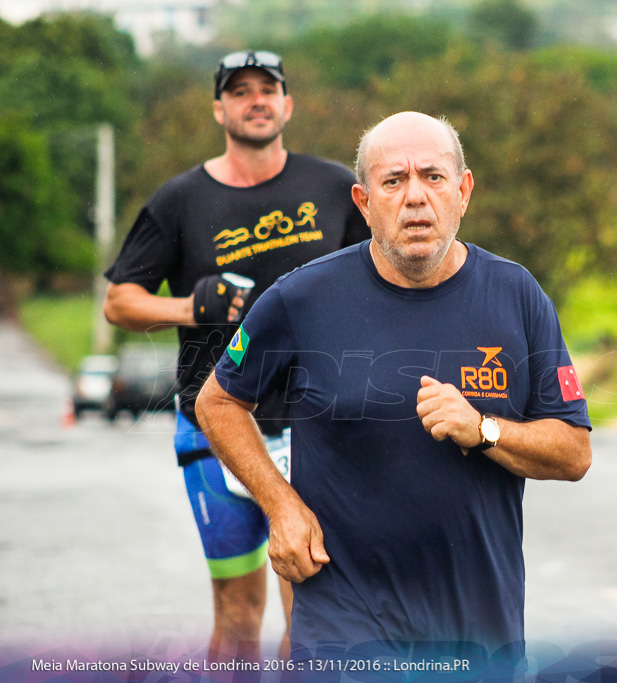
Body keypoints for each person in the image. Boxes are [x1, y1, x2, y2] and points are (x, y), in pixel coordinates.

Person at [194, 111, 592, 671]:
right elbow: (218, 400)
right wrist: (279, 504)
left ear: (463, 190)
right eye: (393, 181)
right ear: (363, 201)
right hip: (344, 617)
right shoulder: (302, 298)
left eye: (432, 177)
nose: (415, 198)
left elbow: (573, 452)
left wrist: (483, 430)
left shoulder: (516, 294)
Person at [103, 50, 370, 662]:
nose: (256, 100)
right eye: (241, 91)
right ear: (219, 108)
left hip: (314, 428)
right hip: (215, 427)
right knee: (238, 617)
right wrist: (191, 309)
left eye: (268, 89)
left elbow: (377, 276)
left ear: (288, 104)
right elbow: (120, 302)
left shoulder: (331, 187)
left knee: (312, 616)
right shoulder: (179, 201)